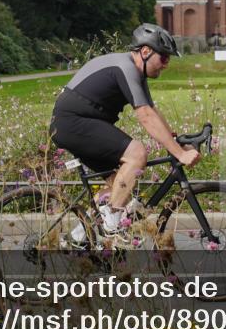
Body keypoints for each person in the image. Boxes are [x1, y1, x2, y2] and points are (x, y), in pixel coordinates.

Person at [49, 24, 201, 242]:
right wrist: (179, 153)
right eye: (165, 58)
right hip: (71, 122)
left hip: (78, 123)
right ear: (146, 52)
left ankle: (77, 239)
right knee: (136, 154)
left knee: (119, 184)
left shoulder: (136, 71)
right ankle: (112, 226)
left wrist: (177, 141)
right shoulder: (126, 67)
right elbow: (145, 116)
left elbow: (152, 111)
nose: (166, 65)